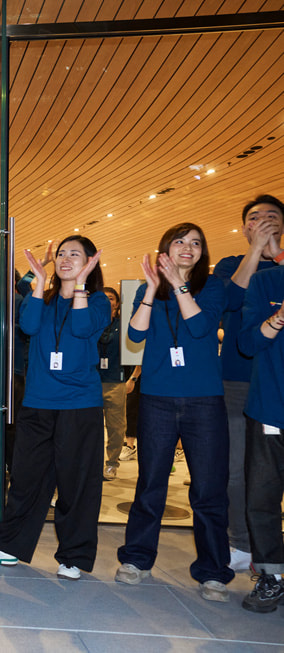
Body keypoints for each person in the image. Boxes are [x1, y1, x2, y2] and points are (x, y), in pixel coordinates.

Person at [0, 236, 109, 579]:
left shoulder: (99, 301)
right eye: (61, 254)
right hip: (38, 402)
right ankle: (7, 547)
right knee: (27, 480)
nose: (65, 259)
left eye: (75, 254)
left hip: (79, 405)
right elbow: (27, 326)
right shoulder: (41, 300)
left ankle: (73, 556)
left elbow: (81, 326)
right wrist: (39, 283)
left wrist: (80, 286)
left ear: (90, 261)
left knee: (77, 483)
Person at [115, 222, 233, 602]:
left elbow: (200, 328)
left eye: (196, 243)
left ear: (202, 253)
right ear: (166, 249)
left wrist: (180, 284)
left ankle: (214, 571)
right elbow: (135, 335)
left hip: (204, 401)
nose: (188, 247)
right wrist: (151, 289)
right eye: (180, 241)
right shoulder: (150, 289)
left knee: (208, 489)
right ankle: (136, 558)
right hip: (157, 400)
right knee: (150, 484)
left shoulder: (212, 287)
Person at [213, 194, 284, 572]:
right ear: (245, 228)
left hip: (278, 383)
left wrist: (278, 253)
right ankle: (242, 544)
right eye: (255, 217)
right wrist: (258, 252)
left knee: (271, 473)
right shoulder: (230, 265)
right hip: (239, 380)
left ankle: (270, 551)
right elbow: (230, 300)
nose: (264, 221)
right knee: (238, 468)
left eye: (272, 216)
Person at [238, 261, 284, 613]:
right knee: (262, 498)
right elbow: (247, 342)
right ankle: (273, 576)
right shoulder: (266, 282)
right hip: (270, 410)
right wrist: (278, 318)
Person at [99, 287, 130, 481]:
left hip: (116, 382)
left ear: (117, 303)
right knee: (90, 427)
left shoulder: (123, 325)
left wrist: (133, 378)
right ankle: (91, 462)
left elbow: (137, 352)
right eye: (104, 298)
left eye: (111, 298)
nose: (108, 301)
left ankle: (112, 463)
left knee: (116, 428)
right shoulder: (92, 323)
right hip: (91, 381)